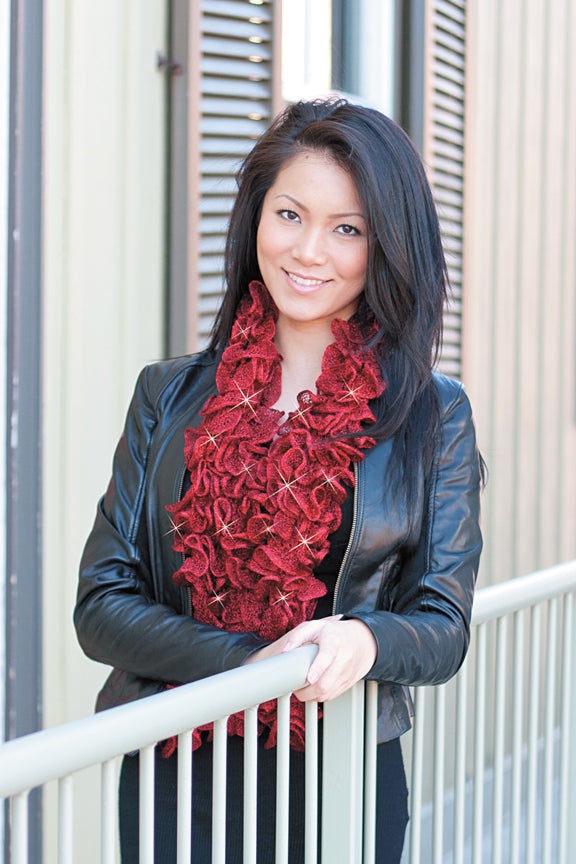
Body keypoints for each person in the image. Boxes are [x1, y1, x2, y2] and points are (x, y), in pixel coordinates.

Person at [75, 98, 483, 863]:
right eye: (289, 215)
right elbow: (101, 604)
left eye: (348, 229)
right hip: (175, 771)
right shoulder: (167, 394)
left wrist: (364, 638)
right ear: (256, 218)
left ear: (388, 243)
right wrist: (245, 665)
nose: (309, 251)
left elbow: (443, 625)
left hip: (343, 768)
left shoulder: (434, 414)